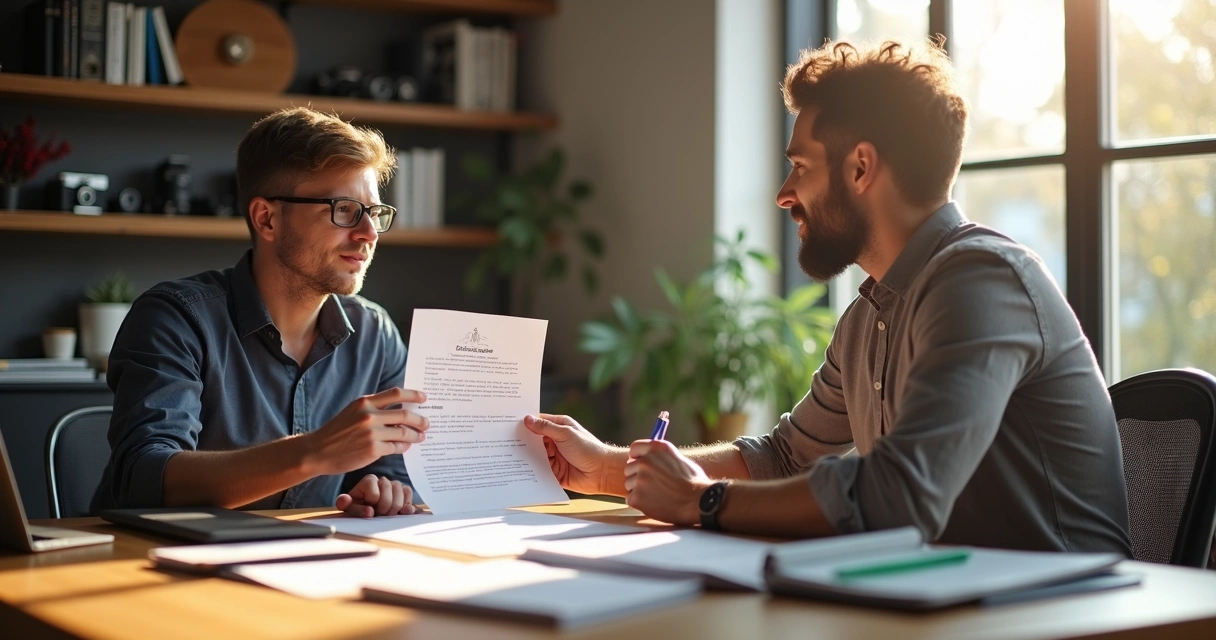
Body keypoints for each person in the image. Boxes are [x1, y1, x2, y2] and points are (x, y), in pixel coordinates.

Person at [525, 40, 1132, 554]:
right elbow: (786, 459)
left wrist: (702, 501)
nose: (784, 194)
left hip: (1064, 614)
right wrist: (607, 467)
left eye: (801, 166)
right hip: (945, 604)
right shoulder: (869, 315)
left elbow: (900, 494)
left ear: (860, 167)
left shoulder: (982, 282)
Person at [92, 107, 428, 518]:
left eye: (374, 213)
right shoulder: (175, 318)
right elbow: (144, 478)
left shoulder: (375, 334)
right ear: (266, 219)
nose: (369, 233)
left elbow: (395, 471)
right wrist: (313, 452)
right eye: (344, 210)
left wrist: (382, 492)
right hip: (155, 553)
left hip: (307, 552)